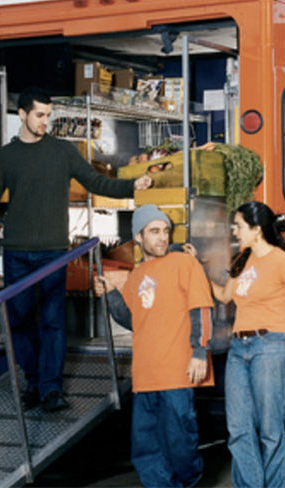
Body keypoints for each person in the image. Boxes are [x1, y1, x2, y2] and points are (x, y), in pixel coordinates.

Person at [0, 88, 152, 413]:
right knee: (20, 322)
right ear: (23, 115)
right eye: (40, 115)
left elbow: (95, 182)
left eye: (48, 115)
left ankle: (52, 390)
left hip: (54, 253)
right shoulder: (7, 156)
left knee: (53, 322)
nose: (45, 121)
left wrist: (131, 185)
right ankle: (33, 383)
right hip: (16, 253)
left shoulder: (63, 151)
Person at [94, 204, 214, 488]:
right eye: (154, 231)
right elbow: (135, 319)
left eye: (165, 231)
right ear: (138, 237)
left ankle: (190, 478)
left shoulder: (185, 263)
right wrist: (111, 295)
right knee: (146, 448)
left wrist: (200, 351)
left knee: (180, 442)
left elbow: (202, 308)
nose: (162, 237)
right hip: (145, 375)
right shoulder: (136, 275)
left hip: (177, 371)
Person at [210, 201, 285, 488]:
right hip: (239, 349)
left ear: (256, 229)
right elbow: (225, 297)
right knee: (238, 429)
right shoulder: (242, 258)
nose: (234, 231)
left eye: (238, 226)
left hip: (271, 347)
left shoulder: (280, 261)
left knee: (270, 431)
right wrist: (194, 269)